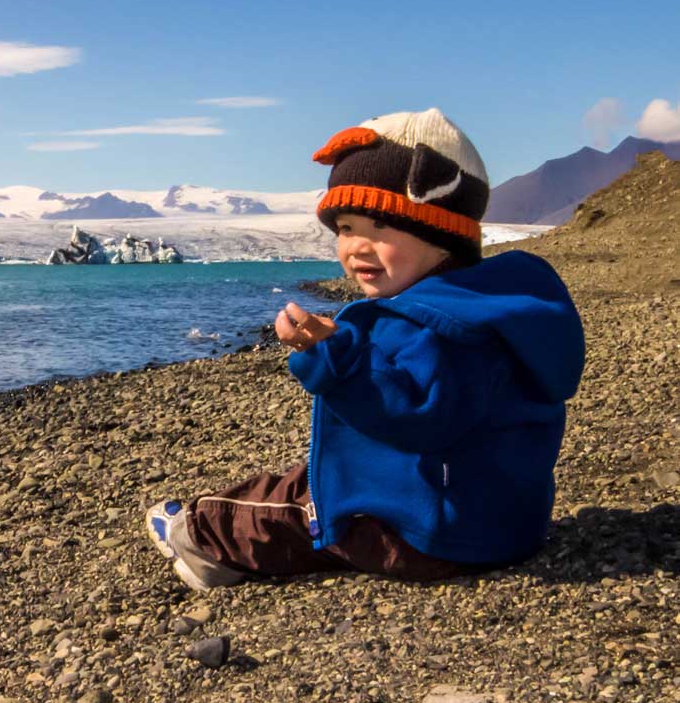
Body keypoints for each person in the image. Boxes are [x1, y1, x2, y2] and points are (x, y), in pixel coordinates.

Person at [146, 108, 586, 592]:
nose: (356, 246)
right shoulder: (497, 309)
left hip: (429, 537)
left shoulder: (438, 326)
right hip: (506, 525)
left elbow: (417, 416)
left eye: (379, 226)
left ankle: (200, 534)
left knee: (305, 506)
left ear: (439, 230)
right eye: (346, 228)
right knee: (312, 479)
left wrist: (338, 358)